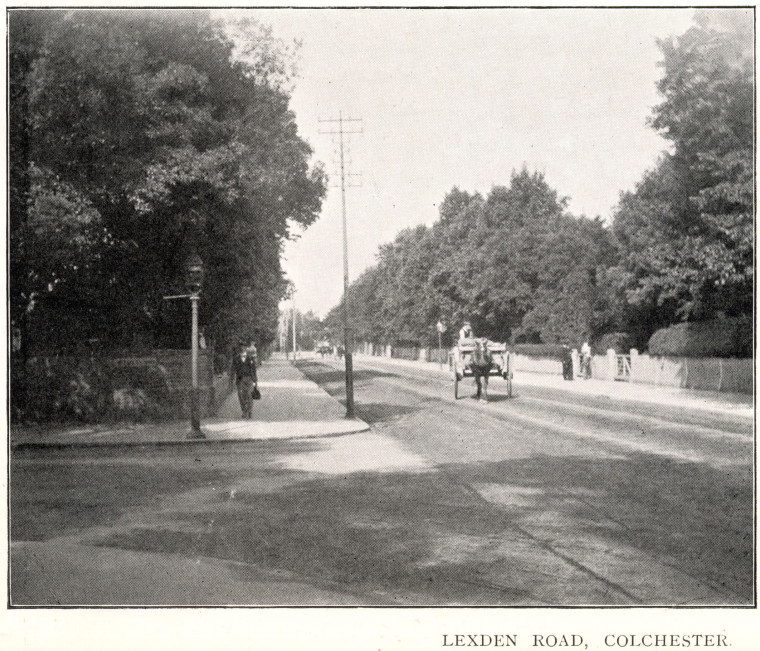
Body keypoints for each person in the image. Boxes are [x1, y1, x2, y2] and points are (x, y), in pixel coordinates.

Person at [230, 341, 258, 418]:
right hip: (240, 380)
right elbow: (233, 370)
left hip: (249, 379)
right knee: (241, 396)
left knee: (249, 395)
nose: (243, 348)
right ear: (240, 348)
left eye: (245, 346)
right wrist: (231, 381)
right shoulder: (236, 358)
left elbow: (253, 370)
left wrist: (255, 381)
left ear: (247, 348)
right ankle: (244, 411)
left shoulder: (250, 358)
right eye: (242, 346)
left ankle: (249, 411)